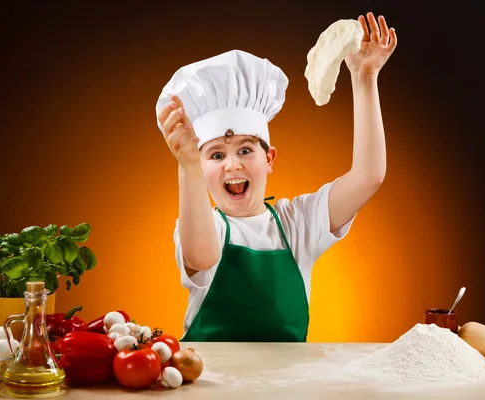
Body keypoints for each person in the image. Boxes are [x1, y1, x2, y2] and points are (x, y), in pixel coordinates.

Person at [155, 12, 397, 342]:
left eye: (244, 150)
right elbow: (202, 256)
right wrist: (187, 166)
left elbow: (368, 177)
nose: (231, 165)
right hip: (210, 387)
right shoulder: (200, 224)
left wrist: (364, 77)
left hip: (286, 387)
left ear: (269, 159)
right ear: (200, 166)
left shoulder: (298, 222)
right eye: (215, 155)